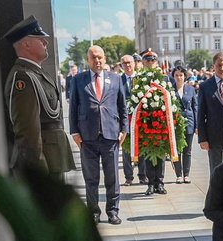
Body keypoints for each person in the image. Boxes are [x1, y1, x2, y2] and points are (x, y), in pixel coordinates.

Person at [3, 16, 76, 241]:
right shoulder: (23, 77)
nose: (46, 42)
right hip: (41, 164)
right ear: (27, 44)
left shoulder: (36, 73)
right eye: (41, 39)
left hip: (53, 160)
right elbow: (28, 133)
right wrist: (39, 176)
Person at [69, 45, 127, 225]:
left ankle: (113, 211)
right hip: (87, 136)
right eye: (94, 57)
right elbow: (73, 108)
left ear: (105, 59)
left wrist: (124, 129)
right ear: (88, 60)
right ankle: (93, 211)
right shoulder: (78, 80)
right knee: (91, 178)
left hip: (111, 135)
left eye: (100, 57)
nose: (98, 60)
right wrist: (74, 132)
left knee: (112, 177)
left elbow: (122, 106)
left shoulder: (116, 79)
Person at [140, 48, 169, 196]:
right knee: (148, 154)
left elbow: (170, 98)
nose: (150, 62)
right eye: (147, 60)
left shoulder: (164, 78)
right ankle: (150, 183)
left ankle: (160, 182)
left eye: (153, 60)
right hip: (146, 120)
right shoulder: (139, 78)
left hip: (161, 121)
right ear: (143, 62)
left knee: (161, 154)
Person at [119, 54, 147, 186]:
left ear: (135, 63)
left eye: (129, 62)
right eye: (124, 63)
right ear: (121, 66)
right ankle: (128, 177)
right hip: (124, 121)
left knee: (141, 148)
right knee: (126, 150)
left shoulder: (142, 79)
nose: (128, 65)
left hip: (140, 120)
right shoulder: (118, 80)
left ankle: (142, 175)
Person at [172, 66, 197, 184]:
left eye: (181, 75)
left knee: (187, 150)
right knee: (176, 150)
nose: (179, 77)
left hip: (189, 122)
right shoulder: (170, 89)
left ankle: (186, 174)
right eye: (176, 75)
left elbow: (195, 107)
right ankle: (178, 174)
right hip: (175, 122)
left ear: (185, 77)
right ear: (173, 77)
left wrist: (197, 125)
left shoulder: (191, 89)